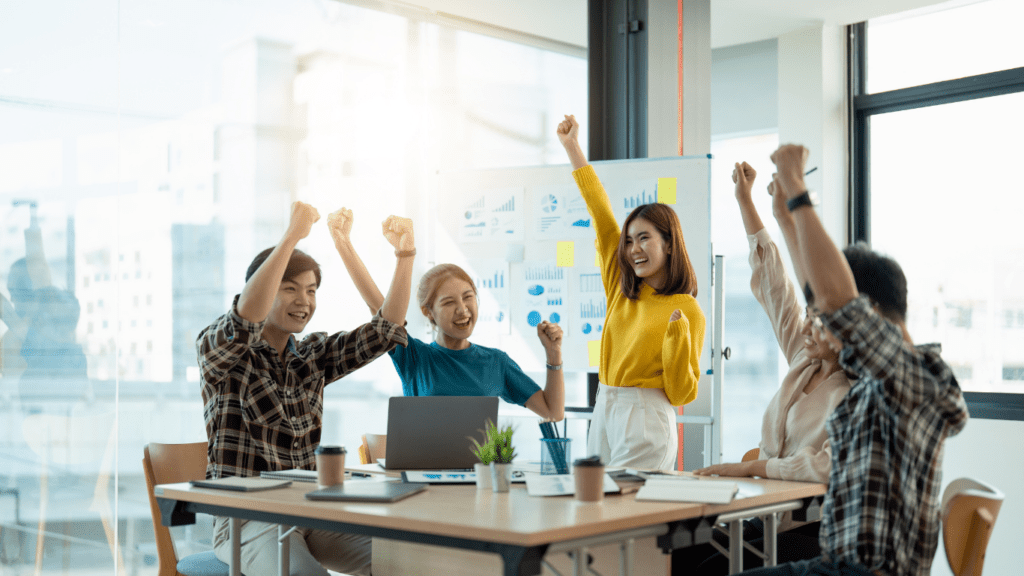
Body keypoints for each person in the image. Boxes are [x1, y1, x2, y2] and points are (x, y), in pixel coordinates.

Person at [734, 145, 969, 576]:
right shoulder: (873, 380)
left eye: (830, 322)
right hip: (838, 565)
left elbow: (837, 300)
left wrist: (798, 188)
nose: (821, 329)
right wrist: (786, 217)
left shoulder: (915, 378)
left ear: (870, 315)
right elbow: (818, 295)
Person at [196, 201, 415, 576]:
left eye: (311, 291)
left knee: (404, 561)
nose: (304, 301)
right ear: (263, 288)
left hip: (310, 510)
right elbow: (245, 320)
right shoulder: (223, 352)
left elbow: (385, 330)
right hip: (246, 518)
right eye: (290, 289)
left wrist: (405, 255)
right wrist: (292, 235)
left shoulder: (312, 354)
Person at [675, 162, 853, 574]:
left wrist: (749, 468)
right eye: (807, 316)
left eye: (819, 319)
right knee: (684, 551)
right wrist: (746, 201)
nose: (806, 325)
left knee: (706, 566)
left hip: (811, 531)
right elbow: (776, 286)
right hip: (767, 516)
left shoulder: (853, 392)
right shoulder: (805, 359)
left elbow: (825, 467)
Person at [556, 114, 706, 469]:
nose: (633, 249)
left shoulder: (687, 310)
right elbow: (600, 210)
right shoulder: (621, 290)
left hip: (646, 414)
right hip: (605, 404)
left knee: (633, 515)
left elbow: (683, 393)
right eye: (628, 241)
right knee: (599, 509)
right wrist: (572, 147)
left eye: (644, 238)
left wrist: (676, 339)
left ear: (669, 244)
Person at [389, 263, 565, 421]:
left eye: (468, 297)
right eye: (449, 302)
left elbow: (552, 412)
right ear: (428, 311)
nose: (462, 309)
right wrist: (404, 255)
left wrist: (553, 353)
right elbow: (382, 312)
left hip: (480, 459)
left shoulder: (496, 362)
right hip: (424, 458)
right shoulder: (415, 355)